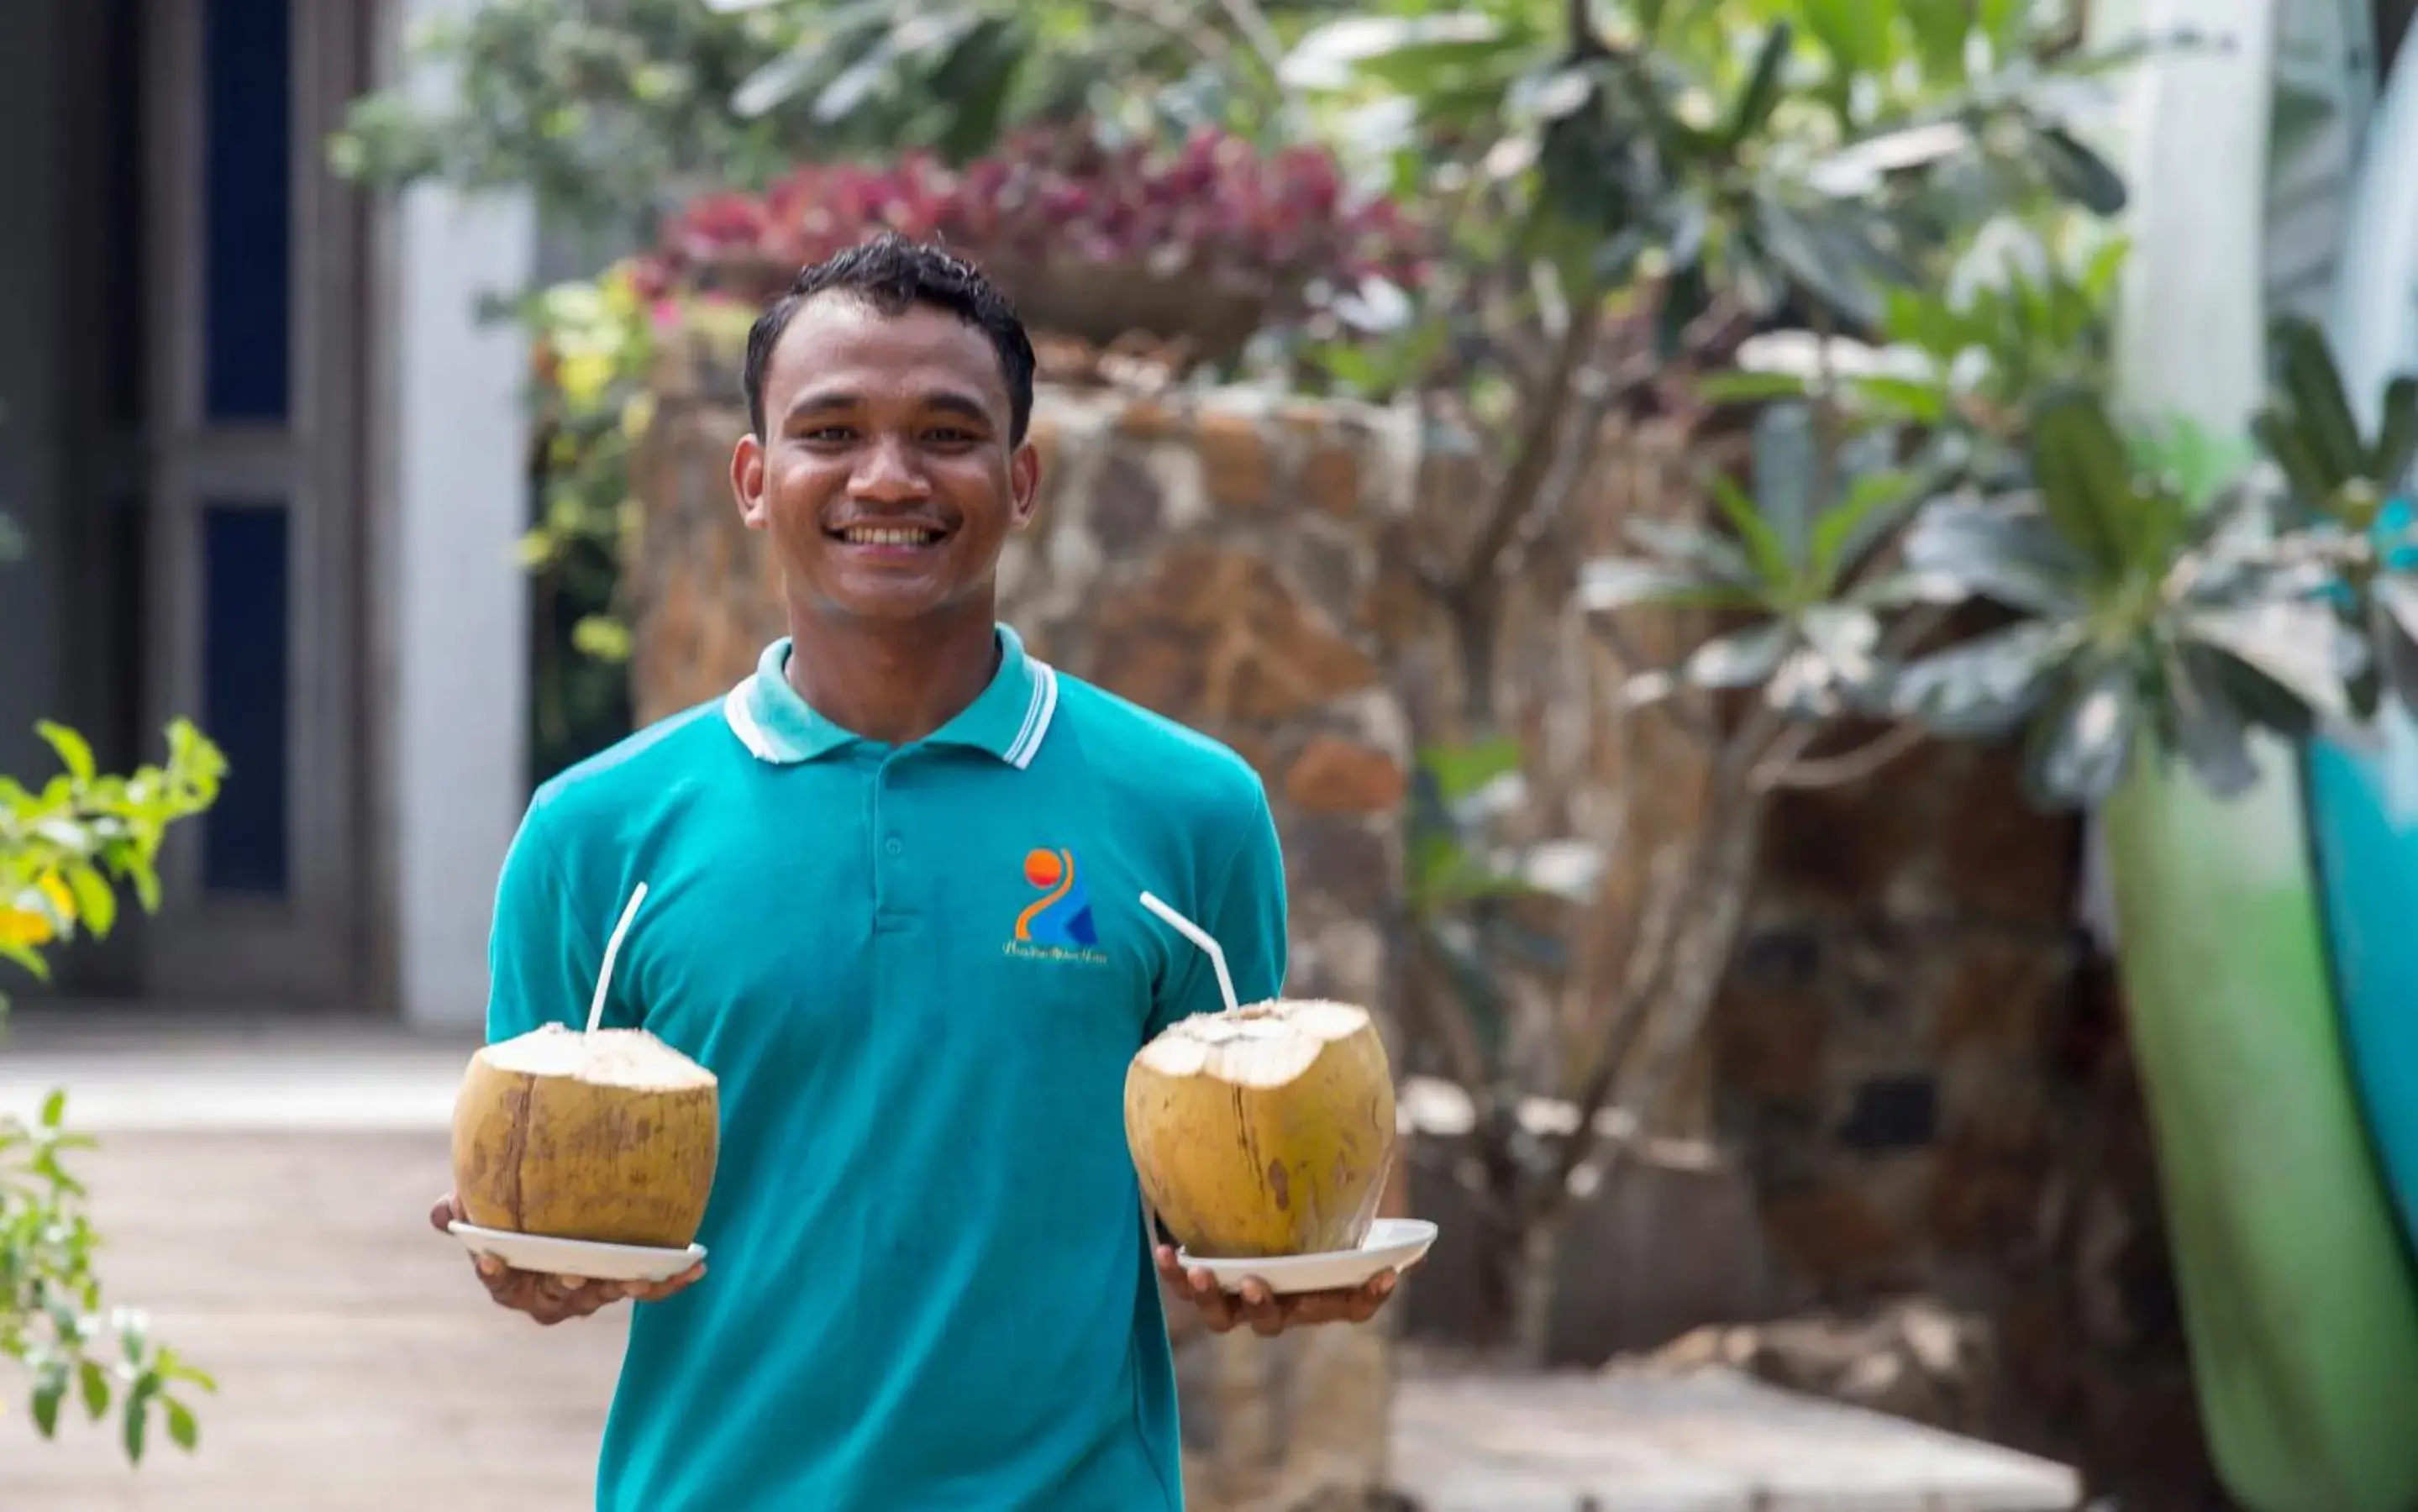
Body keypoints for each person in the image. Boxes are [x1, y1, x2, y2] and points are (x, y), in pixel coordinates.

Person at [428, 233, 1404, 1511]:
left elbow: (1238, 1188)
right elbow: (539, 1202)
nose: (887, 477)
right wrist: (534, 1271)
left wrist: (1274, 1273)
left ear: (1021, 478)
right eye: (829, 431)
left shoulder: (1189, 812)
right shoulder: (595, 835)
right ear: (752, 477)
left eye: (945, 434)